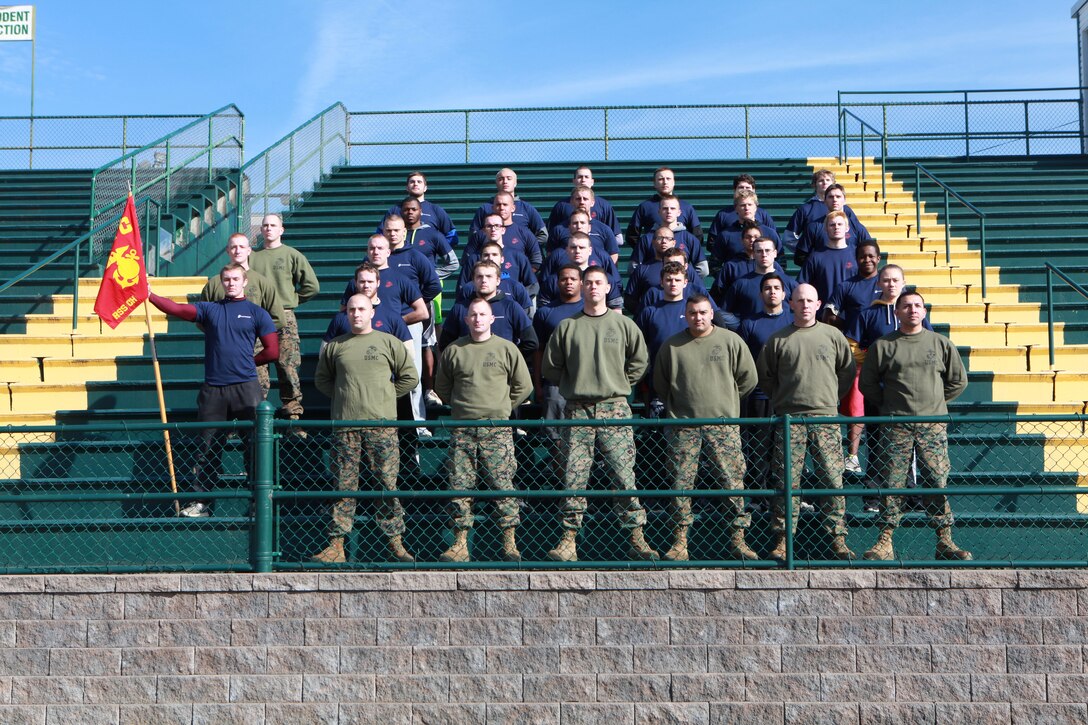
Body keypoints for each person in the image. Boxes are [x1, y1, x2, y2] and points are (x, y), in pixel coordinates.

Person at [541, 266, 657, 562]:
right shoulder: (568, 326)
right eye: (588, 282)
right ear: (581, 286)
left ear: (608, 288)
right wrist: (575, 381)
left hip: (614, 408)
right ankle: (568, 541)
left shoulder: (624, 325)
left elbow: (640, 361)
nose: (593, 287)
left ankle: (636, 537)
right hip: (577, 409)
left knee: (623, 475)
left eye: (598, 283)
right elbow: (550, 367)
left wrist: (618, 383)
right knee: (573, 478)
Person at [148, 264, 279, 518]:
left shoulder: (257, 312)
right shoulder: (210, 309)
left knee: (255, 445)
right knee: (207, 447)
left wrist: (248, 362)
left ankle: (258, 502)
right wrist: (150, 295)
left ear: (244, 281)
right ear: (221, 282)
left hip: (246, 387)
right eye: (226, 279)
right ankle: (202, 503)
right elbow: (178, 309)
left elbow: (273, 351)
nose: (231, 283)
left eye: (235, 279)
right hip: (214, 390)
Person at [859, 289, 972, 561]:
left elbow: (958, 381)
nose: (912, 310)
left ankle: (945, 541)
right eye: (906, 306)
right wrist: (889, 406)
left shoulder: (940, 343)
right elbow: (868, 385)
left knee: (936, 481)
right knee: (893, 483)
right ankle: (884, 541)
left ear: (924, 311)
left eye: (917, 305)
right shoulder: (884, 345)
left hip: (931, 426)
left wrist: (933, 403)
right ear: (896, 312)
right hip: (895, 426)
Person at [311, 294, 419, 564]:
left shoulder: (389, 342)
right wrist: (342, 398)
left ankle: (396, 543)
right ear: (346, 313)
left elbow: (410, 376)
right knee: (343, 487)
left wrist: (384, 395)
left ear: (372, 311)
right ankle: (336, 545)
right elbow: (322, 380)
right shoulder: (336, 346)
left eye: (361, 309)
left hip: (381, 426)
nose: (356, 314)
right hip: (345, 427)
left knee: (385, 485)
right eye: (351, 310)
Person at [653, 294, 759, 561]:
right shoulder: (672, 346)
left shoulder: (730, 341)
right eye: (692, 313)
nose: (697, 317)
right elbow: (662, 384)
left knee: (732, 484)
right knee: (680, 486)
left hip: (723, 426)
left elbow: (748, 379)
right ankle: (680, 542)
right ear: (685, 315)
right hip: (683, 428)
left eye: (702, 312)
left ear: (711, 313)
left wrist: (726, 402)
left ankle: (738, 540)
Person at [756, 283, 856, 560]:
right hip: (790, 420)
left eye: (810, 300)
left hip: (825, 417)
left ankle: (837, 537)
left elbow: (846, 372)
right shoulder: (778, 340)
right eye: (800, 300)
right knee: (788, 482)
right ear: (791, 304)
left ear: (818, 303)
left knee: (832, 480)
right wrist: (783, 399)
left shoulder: (833, 336)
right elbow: (766, 377)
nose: (805, 305)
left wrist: (829, 398)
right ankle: (783, 538)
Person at [434, 297, 533, 563]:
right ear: (467, 320)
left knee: (503, 487)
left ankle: (510, 544)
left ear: (492, 319)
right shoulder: (454, 350)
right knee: (460, 488)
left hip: (496, 429)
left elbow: (524, 386)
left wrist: (500, 407)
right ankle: (459, 544)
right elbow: (442, 388)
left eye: (482, 314)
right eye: (473, 315)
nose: (478, 319)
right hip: (462, 430)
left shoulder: (506, 348)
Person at [249, 213, 320, 433]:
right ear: (260, 230)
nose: (269, 228)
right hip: (258, 318)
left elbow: (312, 286)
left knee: (287, 366)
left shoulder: (292, 255)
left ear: (282, 229)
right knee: (256, 367)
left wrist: (292, 301)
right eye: (265, 225)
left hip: (285, 317)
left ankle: (292, 417)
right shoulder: (252, 257)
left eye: (273, 225)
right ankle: (256, 417)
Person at [200, 233, 286, 401]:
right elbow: (202, 319)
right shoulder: (214, 283)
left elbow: (278, 317)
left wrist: (257, 335)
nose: (237, 250)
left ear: (249, 250)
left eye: (241, 247)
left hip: (252, 349)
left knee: (255, 396)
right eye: (233, 247)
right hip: (223, 358)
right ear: (227, 251)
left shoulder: (262, 282)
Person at [737, 273, 794, 499]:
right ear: (761, 294)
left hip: (788, 396)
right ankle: (759, 497)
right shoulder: (750, 323)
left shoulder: (792, 321)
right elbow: (742, 360)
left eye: (776, 287)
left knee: (784, 452)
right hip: (760, 396)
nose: (772, 291)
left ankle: (784, 496)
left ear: (784, 293)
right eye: (767, 288)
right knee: (759, 450)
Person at [533, 264, 583, 469]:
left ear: (581, 282)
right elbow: (538, 351)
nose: (568, 282)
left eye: (573, 279)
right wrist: (537, 385)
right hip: (555, 383)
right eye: (564, 279)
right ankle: (560, 475)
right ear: (557, 282)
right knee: (555, 434)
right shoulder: (545, 312)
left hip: (584, 383)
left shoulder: (589, 310)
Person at [714, 237, 796, 320]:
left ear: (775, 253)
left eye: (767, 250)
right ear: (753, 254)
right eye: (759, 251)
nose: (764, 254)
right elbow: (724, 312)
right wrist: (740, 326)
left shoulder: (790, 282)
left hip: (784, 331)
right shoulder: (741, 284)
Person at [794, 183, 872, 266]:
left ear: (844, 200)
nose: (835, 200)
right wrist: (819, 268)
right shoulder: (813, 227)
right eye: (831, 197)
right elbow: (799, 257)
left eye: (838, 197)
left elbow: (870, 252)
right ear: (824, 201)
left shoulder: (857, 227)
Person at [469, 167, 548, 248]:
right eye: (501, 179)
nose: (505, 181)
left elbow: (543, 235)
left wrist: (525, 248)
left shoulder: (526, 208)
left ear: (515, 183)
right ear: (496, 183)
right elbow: (474, 235)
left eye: (509, 179)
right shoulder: (485, 209)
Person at [630, 194, 706, 277]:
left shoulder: (690, 239)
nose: (669, 211)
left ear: (679, 212)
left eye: (673, 208)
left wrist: (682, 282)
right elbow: (633, 268)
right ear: (659, 212)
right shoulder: (647, 239)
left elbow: (703, 269)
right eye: (665, 208)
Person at [625, 166, 703, 246]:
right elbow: (632, 236)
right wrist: (647, 252)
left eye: (668, 179)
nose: (665, 182)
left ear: (674, 182)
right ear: (654, 183)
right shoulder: (645, 207)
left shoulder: (686, 207)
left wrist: (685, 253)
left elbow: (698, 236)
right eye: (660, 179)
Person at [798, 210, 857, 313]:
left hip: (851, 315)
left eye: (840, 224)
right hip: (823, 316)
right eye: (832, 225)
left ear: (847, 228)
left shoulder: (856, 255)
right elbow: (802, 285)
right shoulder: (815, 257)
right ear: (826, 229)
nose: (836, 227)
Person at [546, 166, 622, 245]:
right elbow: (551, 236)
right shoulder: (561, 206)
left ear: (592, 181)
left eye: (586, 177)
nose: (583, 180)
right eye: (580, 177)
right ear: (574, 181)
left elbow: (618, 238)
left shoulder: (604, 205)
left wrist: (598, 247)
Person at [381, 171, 458, 248]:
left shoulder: (436, 210)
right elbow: (380, 234)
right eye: (412, 182)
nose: (415, 184)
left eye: (419, 182)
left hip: (427, 259)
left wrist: (436, 249)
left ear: (425, 188)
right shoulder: (395, 210)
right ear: (407, 187)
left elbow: (452, 236)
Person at [708, 189, 781, 265]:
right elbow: (714, 264)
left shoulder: (770, 233)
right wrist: (727, 276)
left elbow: (781, 260)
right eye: (742, 205)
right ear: (736, 208)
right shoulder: (725, 235)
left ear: (756, 207)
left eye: (750, 204)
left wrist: (772, 276)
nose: (746, 208)